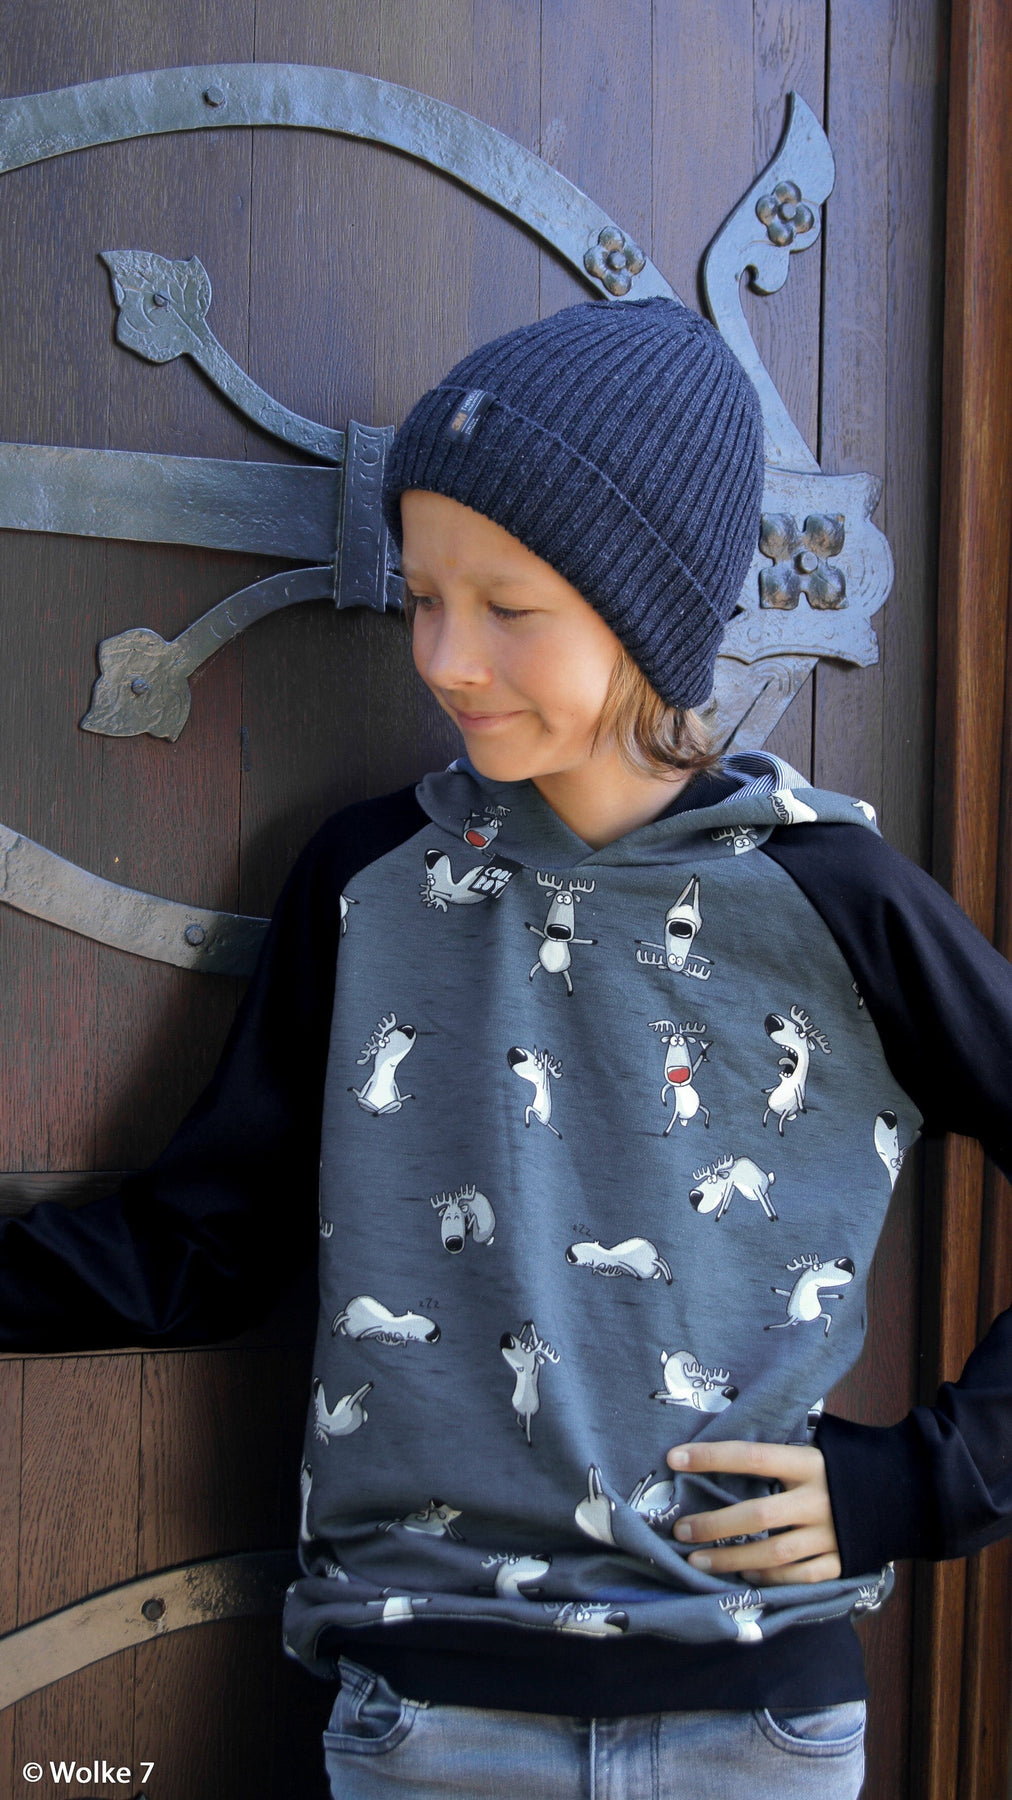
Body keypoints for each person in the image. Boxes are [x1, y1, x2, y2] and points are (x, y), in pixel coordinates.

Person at [2, 297, 1011, 1800]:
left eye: (508, 606)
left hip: (758, 1725)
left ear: (645, 611)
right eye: (422, 597)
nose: (447, 657)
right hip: (427, 1720)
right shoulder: (367, 884)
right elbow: (199, 1250)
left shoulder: (836, 897)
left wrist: (934, 1480)